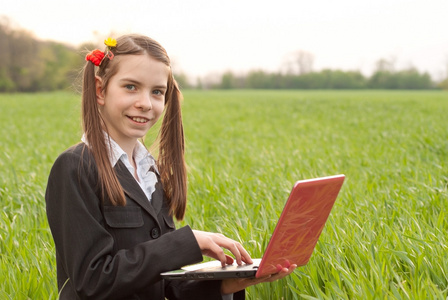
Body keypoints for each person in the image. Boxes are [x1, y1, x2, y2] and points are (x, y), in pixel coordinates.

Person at [45, 34, 296, 300]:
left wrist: (224, 287)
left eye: (157, 92)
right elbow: (92, 280)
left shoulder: (150, 174)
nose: (146, 102)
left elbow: (162, 283)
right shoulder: (76, 167)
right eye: (131, 87)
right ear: (100, 90)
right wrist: (185, 242)